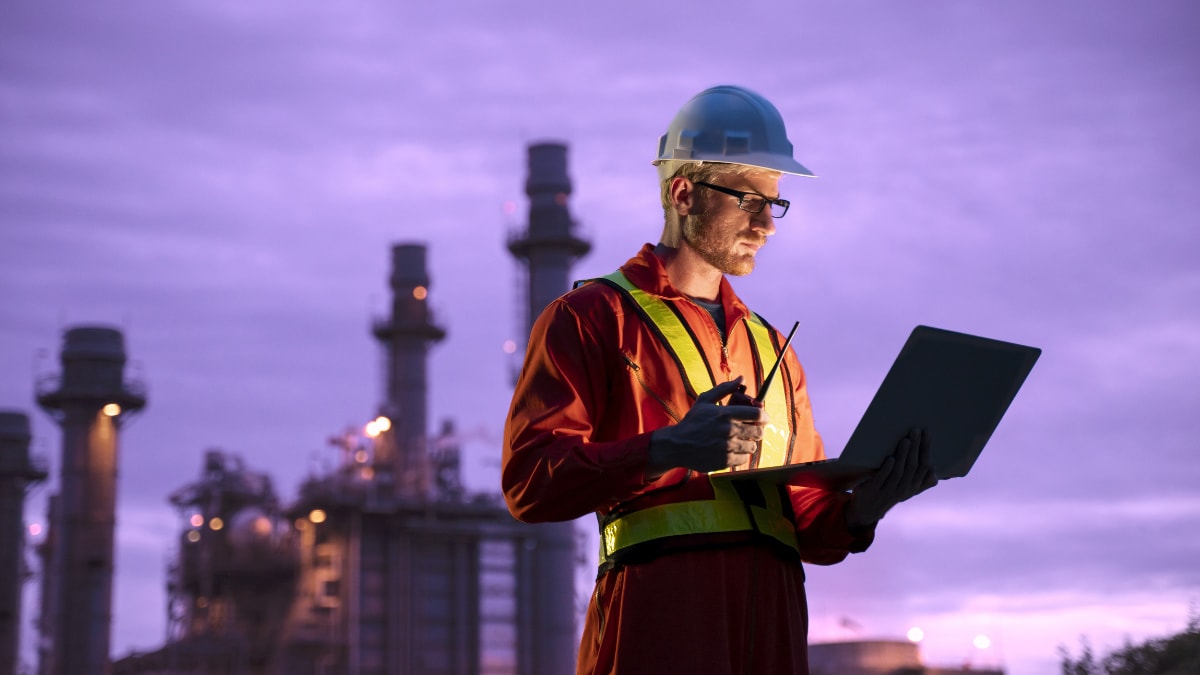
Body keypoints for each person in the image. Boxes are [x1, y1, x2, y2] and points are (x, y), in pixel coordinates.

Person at [502, 85, 939, 675]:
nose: (767, 224)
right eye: (749, 201)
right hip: (658, 626)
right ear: (685, 192)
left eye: (775, 205)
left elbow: (809, 523)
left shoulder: (774, 348)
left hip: (775, 632)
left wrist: (866, 509)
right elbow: (529, 482)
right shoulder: (591, 318)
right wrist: (669, 448)